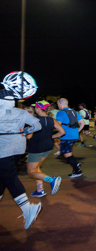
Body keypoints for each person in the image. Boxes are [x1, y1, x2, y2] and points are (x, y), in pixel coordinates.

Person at [0, 89, 42, 229]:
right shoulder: (22, 112)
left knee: (10, 178)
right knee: (4, 176)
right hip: (19, 148)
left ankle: (27, 208)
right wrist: (25, 131)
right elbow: (37, 125)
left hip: (3, 150)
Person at [26, 101, 65, 198]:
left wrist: (25, 132)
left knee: (31, 172)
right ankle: (40, 190)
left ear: (37, 109)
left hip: (36, 147)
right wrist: (51, 136)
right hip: (48, 146)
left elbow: (29, 137)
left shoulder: (34, 120)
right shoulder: (52, 120)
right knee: (37, 168)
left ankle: (52, 180)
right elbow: (62, 132)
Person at [56, 98, 85, 178]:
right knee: (66, 153)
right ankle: (75, 164)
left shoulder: (60, 113)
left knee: (66, 154)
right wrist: (78, 131)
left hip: (66, 136)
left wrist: (55, 133)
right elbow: (82, 123)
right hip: (75, 135)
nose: (57, 105)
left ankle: (77, 170)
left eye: (58, 104)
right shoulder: (74, 112)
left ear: (61, 103)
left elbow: (58, 125)